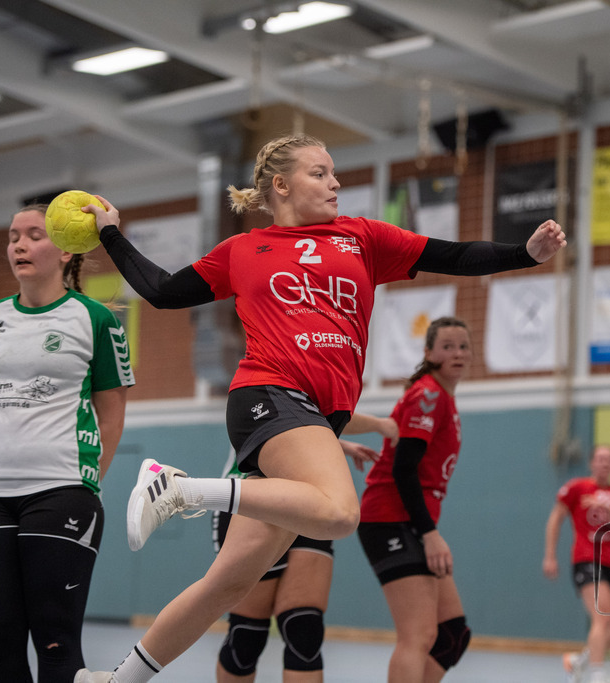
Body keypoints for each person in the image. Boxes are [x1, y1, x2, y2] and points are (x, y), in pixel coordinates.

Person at [75, 132, 566, 682]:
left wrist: (523, 254)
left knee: (227, 584)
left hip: (316, 418)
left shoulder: (363, 238)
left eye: (334, 174)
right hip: (268, 392)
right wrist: (110, 233)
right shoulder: (243, 250)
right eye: (320, 173)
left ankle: (115, 680)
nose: (335, 184)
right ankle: (179, 488)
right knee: (339, 512)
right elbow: (163, 291)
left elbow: (451, 255)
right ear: (281, 185)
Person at [0, 204, 133, 682]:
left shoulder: (96, 319)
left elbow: (111, 413)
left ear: (66, 250)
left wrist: (85, 483)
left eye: (34, 235)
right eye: (13, 236)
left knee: (56, 643)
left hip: (61, 491)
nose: (19, 245)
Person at [213, 413, 397, 683]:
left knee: (304, 629)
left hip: (310, 498)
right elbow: (289, 417)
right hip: (256, 495)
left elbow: (312, 420)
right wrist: (381, 425)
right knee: (247, 636)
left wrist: (339, 444)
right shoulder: (261, 388)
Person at [356, 316, 475, 682]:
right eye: (447, 347)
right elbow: (403, 468)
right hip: (389, 519)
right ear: (429, 353)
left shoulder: (443, 397)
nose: (457, 353)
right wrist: (429, 533)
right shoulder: (428, 395)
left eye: (463, 347)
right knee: (419, 635)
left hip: (409, 521)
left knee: (451, 634)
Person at [543, 444, 610, 683]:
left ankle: (578, 662)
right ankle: (597, 675)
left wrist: (605, 506)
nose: (605, 463)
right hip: (586, 559)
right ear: (591, 463)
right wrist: (550, 555)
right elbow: (555, 518)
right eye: (600, 459)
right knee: (602, 617)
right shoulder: (577, 487)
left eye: (609, 459)